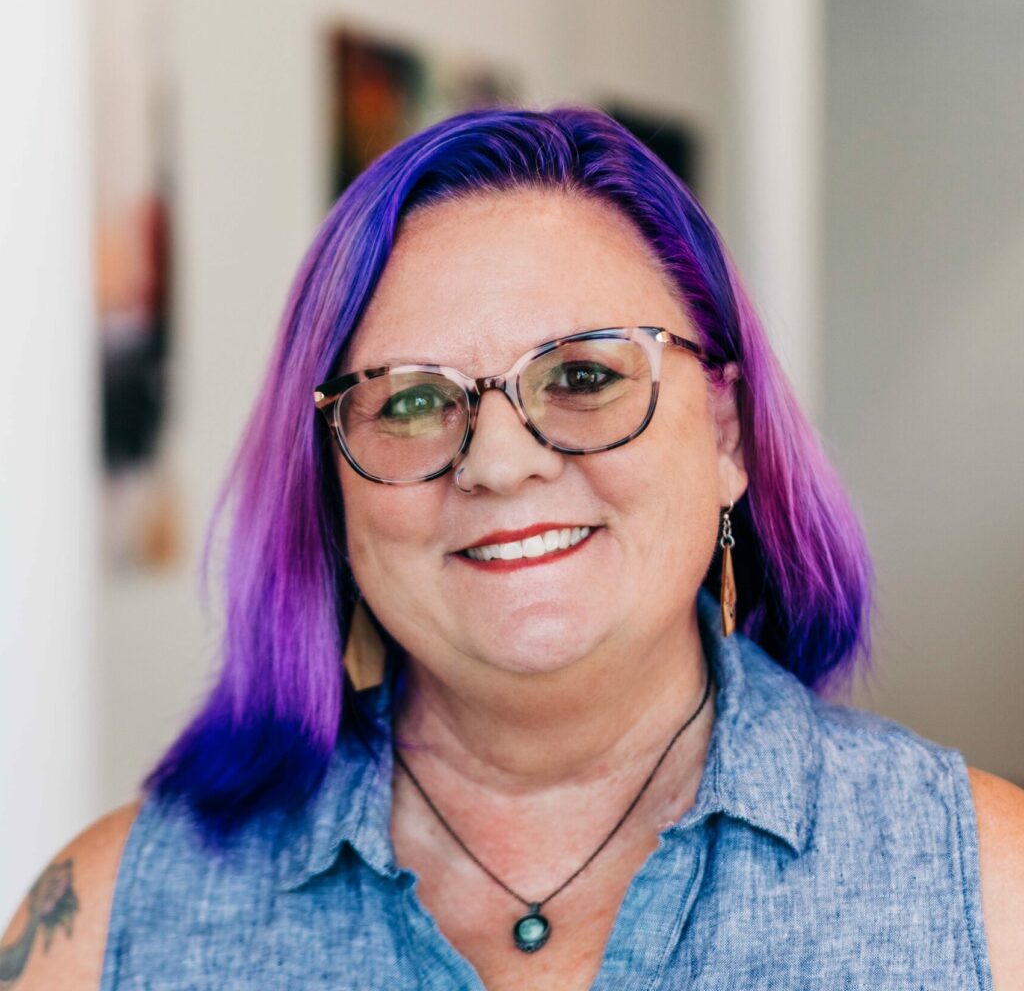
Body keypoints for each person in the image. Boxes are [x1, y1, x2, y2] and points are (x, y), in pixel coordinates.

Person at [3, 106, 1022, 991]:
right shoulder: (104, 928)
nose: (497, 461)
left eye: (582, 377)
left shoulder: (987, 895)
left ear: (726, 436)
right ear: (331, 485)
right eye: (409, 399)